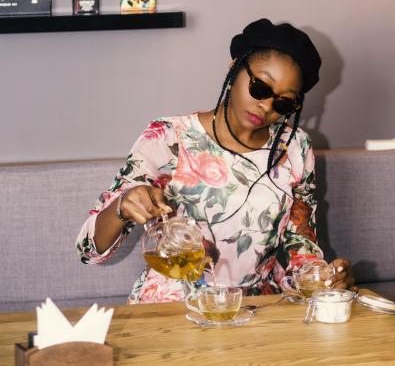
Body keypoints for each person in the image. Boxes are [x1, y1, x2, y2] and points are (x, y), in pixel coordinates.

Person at [76, 18, 356, 303]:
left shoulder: (296, 147)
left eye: (284, 102)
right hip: (172, 310)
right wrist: (123, 206)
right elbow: (89, 249)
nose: (267, 106)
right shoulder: (170, 137)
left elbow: (300, 248)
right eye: (260, 87)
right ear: (234, 67)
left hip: (256, 310)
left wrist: (321, 277)